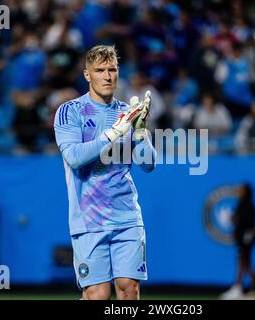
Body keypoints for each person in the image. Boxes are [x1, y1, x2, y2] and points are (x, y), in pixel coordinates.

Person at [54, 45, 156, 300]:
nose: (107, 76)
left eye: (112, 69)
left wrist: (141, 131)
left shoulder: (127, 113)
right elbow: (74, 157)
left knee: (128, 289)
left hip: (127, 216)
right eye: (100, 70)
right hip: (89, 220)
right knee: (98, 294)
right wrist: (113, 134)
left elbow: (148, 164)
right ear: (87, 75)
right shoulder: (70, 111)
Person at [220, 184, 255, 300]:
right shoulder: (242, 203)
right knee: (243, 263)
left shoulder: (249, 205)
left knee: (244, 263)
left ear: (246, 192)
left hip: (246, 239)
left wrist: (233, 219)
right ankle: (242, 287)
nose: (238, 191)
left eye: (241, 190)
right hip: (242, 239)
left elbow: (244, 222)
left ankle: (251, 288)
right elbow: (238, 219)